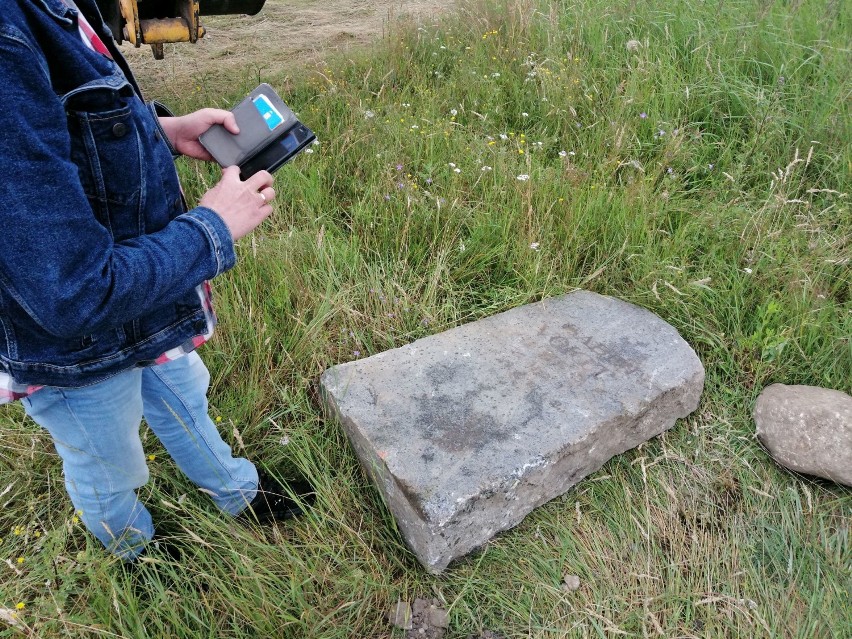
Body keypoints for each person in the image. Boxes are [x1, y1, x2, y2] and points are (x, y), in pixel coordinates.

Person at [0, 0, 312, 561]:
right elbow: (70, 292)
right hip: (77, 349)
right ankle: (132, 548)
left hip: (146, 300)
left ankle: (239, 492)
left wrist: (160, 130)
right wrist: (211, 228)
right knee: (106, 461)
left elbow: (63, 133)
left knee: (188, 403)